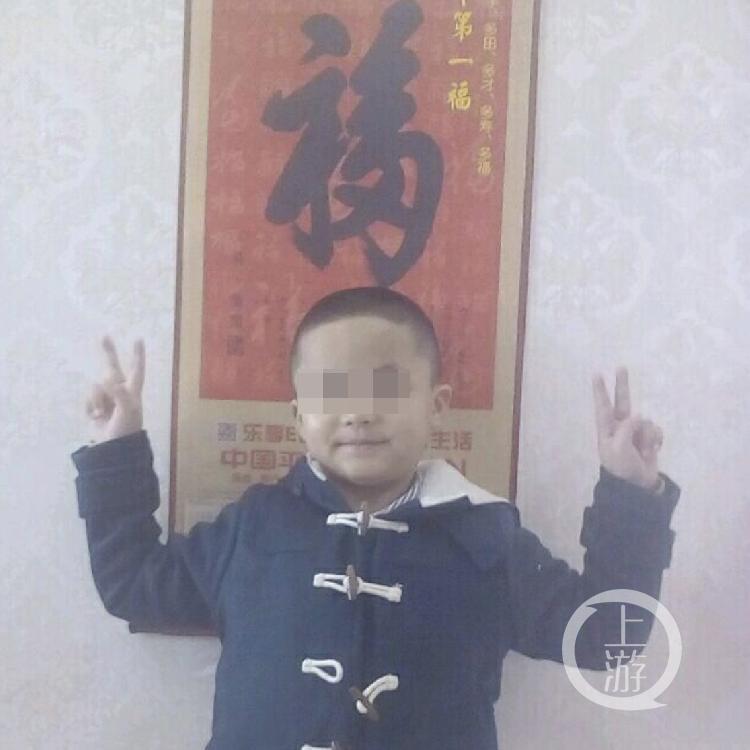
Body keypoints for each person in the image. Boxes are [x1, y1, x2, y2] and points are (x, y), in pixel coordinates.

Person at [72, 286, 679, 750]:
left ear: (436, 406)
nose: (358, 413)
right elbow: (135, 585)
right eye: (331, 392)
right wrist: (114, 451)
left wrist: (630, 494)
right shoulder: (254, 528)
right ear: (298, 416)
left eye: (386, 389)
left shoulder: (485, 536)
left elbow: (608, 635)